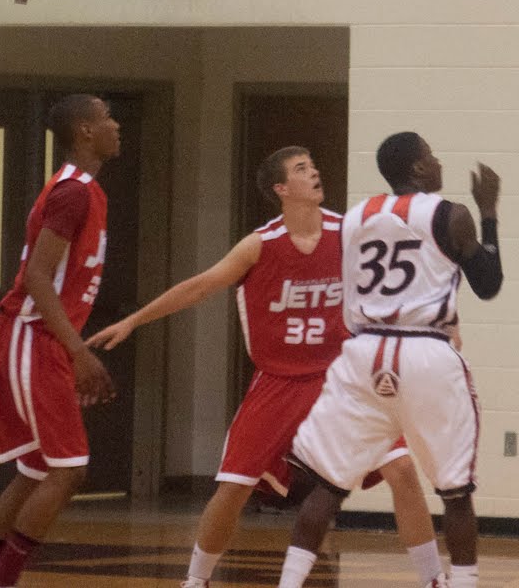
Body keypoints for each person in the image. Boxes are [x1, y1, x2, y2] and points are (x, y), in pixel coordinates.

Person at [86, 146, 445, 588]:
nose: (314, 173)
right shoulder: (259, 245)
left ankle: (434, 580)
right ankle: (195, 580)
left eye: (313, 166)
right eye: (301, 169)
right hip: (278, 382)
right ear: (281, 188)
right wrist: (134, 320)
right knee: (234, 486)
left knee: (402, 470)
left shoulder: (348, 232)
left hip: (342, 380)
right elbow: (200, 286)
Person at [275, 133, 503, 588]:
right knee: (456, 492)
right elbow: (489, 284)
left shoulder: (355, 217)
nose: (438, 163)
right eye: (431, 156)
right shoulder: (451, 214)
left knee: (328, 486)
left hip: (364, 353)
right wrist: (489, 214)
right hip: (425, 351)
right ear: (417, 168)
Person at [0, 95, 120, 588]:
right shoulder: (73, 192)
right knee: (68, 472)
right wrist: (79, 352)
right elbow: (38, 277)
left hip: (30, 338)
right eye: (107, 118)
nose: (116, 125)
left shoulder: (84, 190)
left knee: (36, 470)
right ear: (85, 130)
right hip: (30, 335)